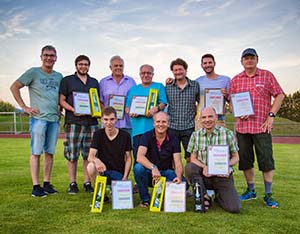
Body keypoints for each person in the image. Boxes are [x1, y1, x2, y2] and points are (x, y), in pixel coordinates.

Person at [229, 48, 284, 208]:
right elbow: (232, 101)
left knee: (266, 160)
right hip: (243, 127)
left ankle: (268, 194)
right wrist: (237, 112)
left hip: (262, 127)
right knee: (245, 161)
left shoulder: (267, 75)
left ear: (257, 59)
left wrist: (271, 116)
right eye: (246, 58)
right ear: (241, 61)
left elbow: (279, 94)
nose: (249, 60)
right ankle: (250, 190)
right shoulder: (236, 79)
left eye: (252, 57)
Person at [10, 45, 63, 197]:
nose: (49, 58)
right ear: (41, 56)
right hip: (39, 119)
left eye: (52, 55)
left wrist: (60, 108)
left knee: (50, 153)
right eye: (46, 55)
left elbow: (59, 95)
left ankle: (46, 183)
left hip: (54, 118)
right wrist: (24, 107)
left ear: (56, 58)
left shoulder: (58, 76)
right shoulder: (33, 72)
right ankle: (36, 186)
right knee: (36, 152)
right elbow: (14, 86)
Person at [185, 107, 241, 213]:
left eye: (210, 116)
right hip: (204, 175)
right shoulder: (195, 135)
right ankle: (204, 196)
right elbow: (193, 158)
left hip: (222, 176)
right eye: (204, 117)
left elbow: (236, 157)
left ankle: (219, 196)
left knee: (234, 208)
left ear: (216, 117)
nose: (207, 120)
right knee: (190, 167)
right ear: (200, 120)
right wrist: (205, 167)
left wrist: (226, 166)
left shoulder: (227, 134)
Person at [59, 55, 99, 194]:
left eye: (86, 64)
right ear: (76, 65)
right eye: (81, 64)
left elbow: (96, 101)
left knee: (89, 155)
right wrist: (72, 109)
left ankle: (87, 182)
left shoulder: (94, 82)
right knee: (72, 154)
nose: (83, 66)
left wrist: (97, 111)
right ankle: (72, 183)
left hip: (91, 123)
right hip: (73, 122)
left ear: (89, 66)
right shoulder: (67, 80)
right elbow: (62, 100)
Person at [134, 111, 184, 207]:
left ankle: (166, 195)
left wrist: (179, 177)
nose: (160, 124)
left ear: (168, 124)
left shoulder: (174, 139)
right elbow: (139, 157)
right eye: (158, 122)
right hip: (149, 173)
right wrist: (153, 167)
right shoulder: (146, 136)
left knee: (183, 183)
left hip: (166, 172)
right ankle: (145, 199)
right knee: (138, 168)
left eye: (164, 122)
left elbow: (178, 162)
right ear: (153, 123)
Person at [87, 107, 132, 200]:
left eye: (112, 119)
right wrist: (97, 160)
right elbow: (90, 156)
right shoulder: (98, 134)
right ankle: (101, 193)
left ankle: (114, 188)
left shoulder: (125, 136)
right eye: (106, 119)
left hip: (118, 173)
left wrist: (125, 177)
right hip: (103, 170)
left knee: (120, 199)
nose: (109, 122)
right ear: (102, 120)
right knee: (90, 166)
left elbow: (128, 158)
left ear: (116, 119)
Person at [125, 64, 167, 162]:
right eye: (143, 73)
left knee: (156, 159)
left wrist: (155, 109)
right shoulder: (133, 89)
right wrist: (130, 112)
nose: (146, 75)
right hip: (137, 131)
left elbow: (163, 103)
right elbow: (127, 107)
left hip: (155, 130)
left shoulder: (159, 86)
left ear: (152, 74)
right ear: (140, 74)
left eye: (149, 73)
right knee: (138, 160)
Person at [165, 58, 200, 161]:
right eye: (175, 70)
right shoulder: (168, 86)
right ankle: (174, 177)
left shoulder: (194, 85)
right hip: (172, 126)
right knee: (171, 157)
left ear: (186, 70)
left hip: (189, 127)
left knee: (190, 157)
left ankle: (189, 177)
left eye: (180, 69)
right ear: (172, 72)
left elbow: (201, 102)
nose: (178, 72)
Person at [99, 55, 136, 134]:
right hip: (109, 124)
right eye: (116, 66)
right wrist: (107, 114)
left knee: (128, 146)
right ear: (110, 67)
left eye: (121, 66)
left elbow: (135, 100)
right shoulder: (103, 82)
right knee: (108, 146)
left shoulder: (131, 81)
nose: (118, 67)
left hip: (127, 124)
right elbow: (100, 101)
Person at [195, 54, 231, 127]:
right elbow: (196, 98)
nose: (207, 65)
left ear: (214, 63)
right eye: (205, 63)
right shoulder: (198, 81)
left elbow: (230, 100)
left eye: (210, 62)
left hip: (218, 120)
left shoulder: (225, 80)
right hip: (201, 120)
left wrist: (226, 95)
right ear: (201, 65)